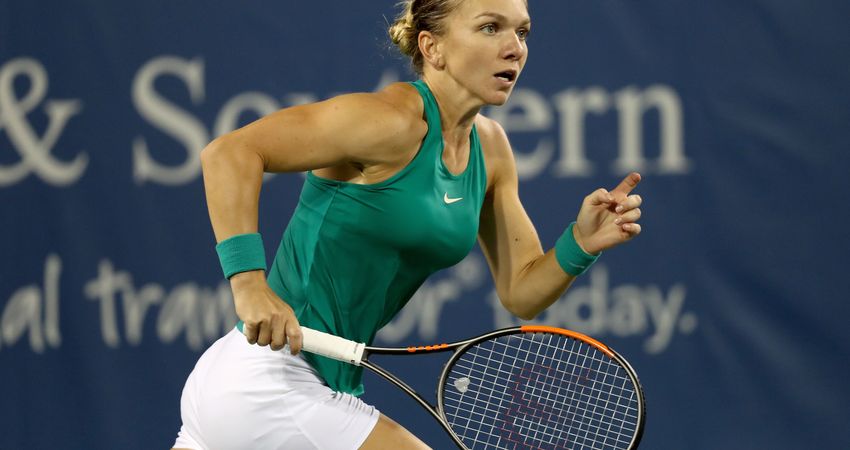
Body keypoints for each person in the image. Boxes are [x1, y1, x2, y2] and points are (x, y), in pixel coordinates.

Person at [172, 0, 643, 448]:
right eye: (489, 27)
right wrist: (248, 284)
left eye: (522, 32)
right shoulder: (388, 121)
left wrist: (580, 243)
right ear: (431, 47)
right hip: (271, 382)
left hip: (254, 382)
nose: (514, 47)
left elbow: (521, 291)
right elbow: (230, 152)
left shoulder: (491, 149)